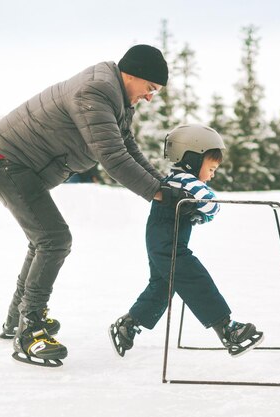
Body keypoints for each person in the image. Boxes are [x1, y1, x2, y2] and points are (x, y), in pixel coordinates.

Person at [0, 44, 188, 367]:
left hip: (18, 165)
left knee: (44, 238)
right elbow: (113, 159)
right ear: (131, 75)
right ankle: (28, 330)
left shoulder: (116, 94)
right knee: (54, 239)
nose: (150, 97)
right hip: (6, 163)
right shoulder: (97, 91)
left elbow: (126, 146)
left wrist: (163, 186)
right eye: (150, 88)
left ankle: (16, 320)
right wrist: (160, 195)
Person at [109, 124, 264, 358]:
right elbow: (211, 203)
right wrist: (204, 212)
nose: (212, 175)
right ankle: (227, 330)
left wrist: (197, 212)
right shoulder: (186, 181)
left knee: (162, 287)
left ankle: (128, 324)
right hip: (167, 245)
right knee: (194, 277)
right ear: (192, 159)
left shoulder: (177, 181)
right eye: (211, 168)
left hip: (161, 242)